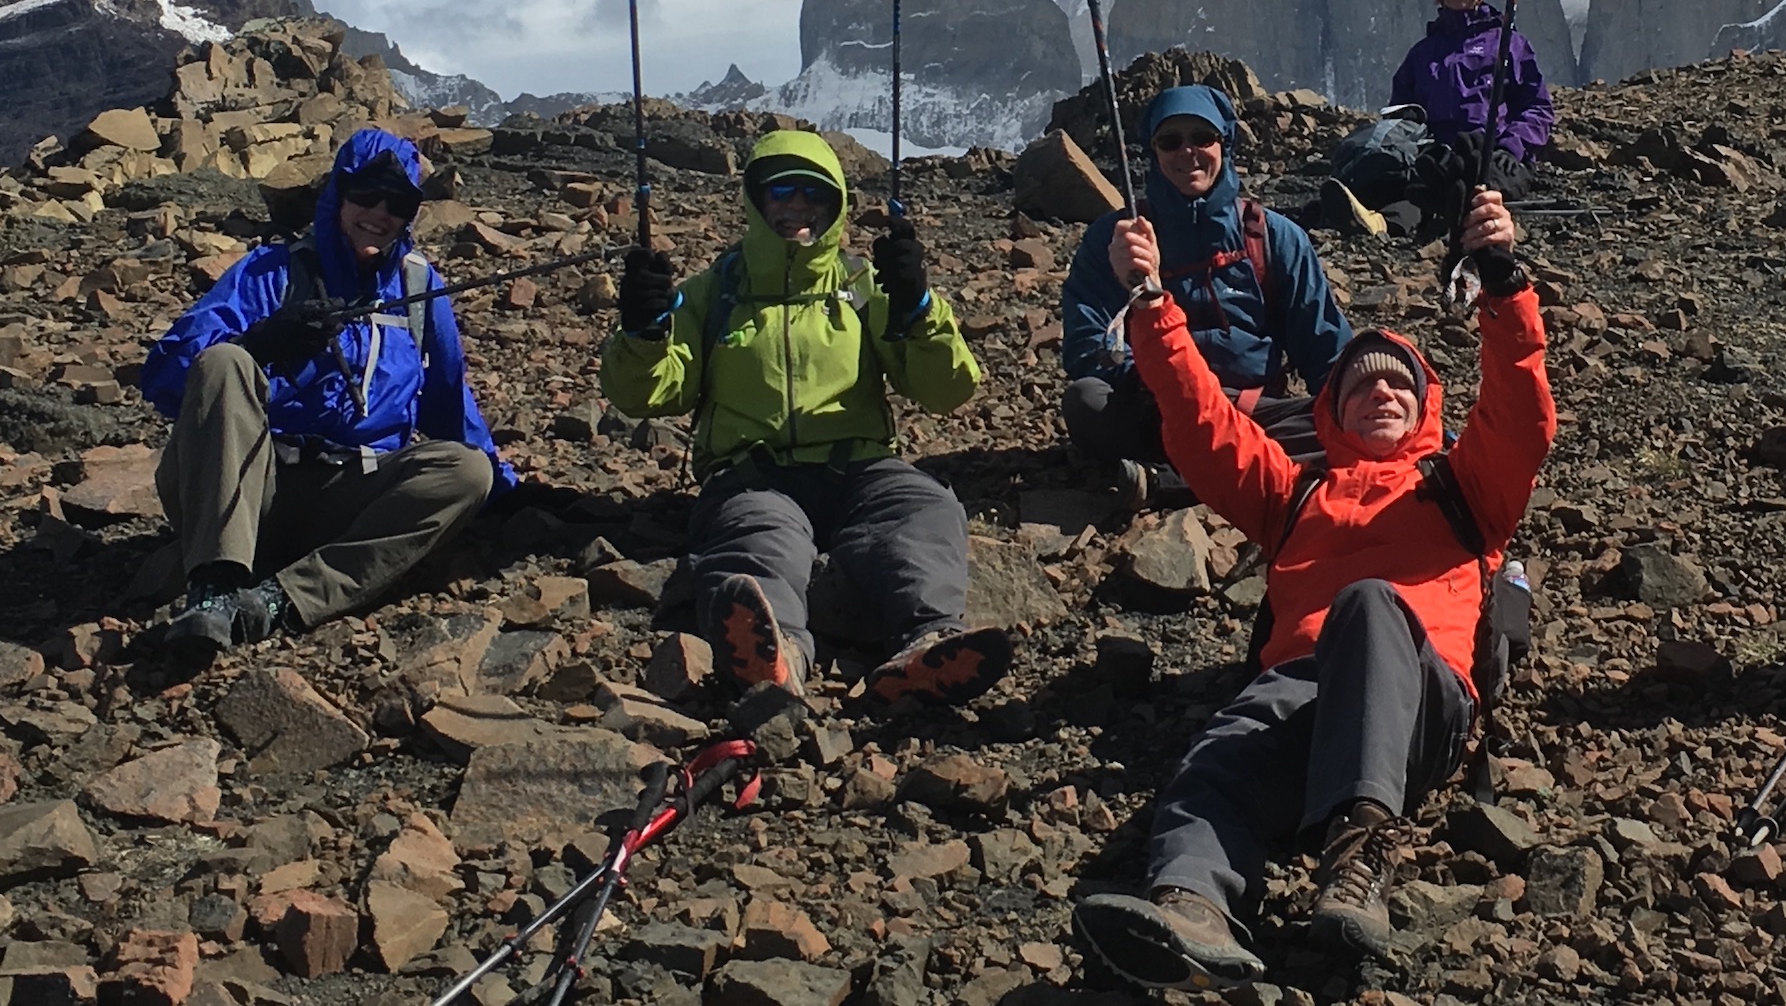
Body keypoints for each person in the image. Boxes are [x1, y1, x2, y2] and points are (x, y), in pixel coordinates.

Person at [1074, 189, 1553, 989]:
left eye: (1399, 385)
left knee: (1369, 603)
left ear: (1426, 405)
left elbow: (1522, 418)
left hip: (1420, 698)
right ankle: (1191, 909)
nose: (1383, 393)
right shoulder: (1295, 492)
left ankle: (1359, 859)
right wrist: (1152, 302)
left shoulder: (1463, 488)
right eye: (1362, 386)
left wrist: (1503, 286)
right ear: (1333, 411)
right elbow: (1200, 424)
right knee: (1217, 760)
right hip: (1296, 688)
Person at [601, 130, 1008, 705]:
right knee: (760, 537)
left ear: (836, 205)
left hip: (861, 467)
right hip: (754, 473)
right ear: (754, 200)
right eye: (781, 191)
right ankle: (780, 653)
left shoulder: (868, 286)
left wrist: (920, 307)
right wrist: (643, 333)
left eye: (815, 194)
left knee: (925, 509)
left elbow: (946, 390)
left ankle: (929, 641)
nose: (797, 206)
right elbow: (649, 394)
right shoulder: (711, 294)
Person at [142, 128, 504, 667]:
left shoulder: (419, 288)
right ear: (338, 193)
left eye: (398, 202)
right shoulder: (270, 271)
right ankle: (214, 588)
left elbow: (450, 403)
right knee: (224, 361)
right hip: (247, 486)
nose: (379, 213)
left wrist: (509, 490)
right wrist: (260, 343)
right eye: (366, 195)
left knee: (468, 471)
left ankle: (276, 602)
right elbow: (171, 375)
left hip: (349, 491)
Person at [1060, 85, 1352, 504]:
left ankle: (1169, 481)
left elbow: (1326, 348)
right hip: (1162, 408)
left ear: (1225, 143)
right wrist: (1162, 386)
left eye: (1202, 138)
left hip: (1251, 411)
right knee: (1087, 401)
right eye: (1170, 141)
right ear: (1153, 152)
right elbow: (1089, 347)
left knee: (1346, 421)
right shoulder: (1118, 241)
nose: (1187, 152)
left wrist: (1362, 404)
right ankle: (1258, 474)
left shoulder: (1273, 237)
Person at [1322, 0, 1554, 239]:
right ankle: (1384, 223)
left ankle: (1409, 222)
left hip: (1492, 151)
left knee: (1462, 184)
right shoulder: (1422, 55)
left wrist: (1512, 146)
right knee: (1417, 181)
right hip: (1437, 151)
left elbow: (1537, 106)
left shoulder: (1509, 44)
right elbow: (1402, 111)